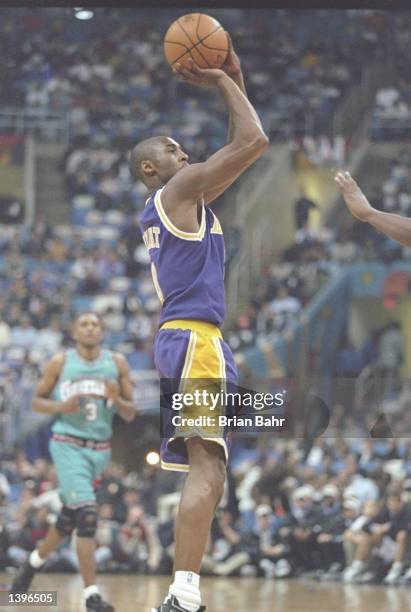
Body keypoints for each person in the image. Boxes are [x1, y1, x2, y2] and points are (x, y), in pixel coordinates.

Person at [129, 34, 268, 612]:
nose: (185, 157)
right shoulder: (177, 190)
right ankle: (183, 596)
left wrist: (232, 75)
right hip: (195, 340)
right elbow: (255, 140)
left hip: (188, 340)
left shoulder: (191, 199)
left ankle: (184, 592)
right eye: (174, 150)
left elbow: (245, 143)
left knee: (211, 469)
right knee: (208, 467)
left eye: (186, 153)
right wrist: (220, 78)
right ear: (150, 168)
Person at [11, 312, 137, 612]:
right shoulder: (61, 362)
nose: (91, 327)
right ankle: (91, 595)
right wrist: (61, 406)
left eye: (96, 324)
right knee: (88, 515)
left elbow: (130, 413)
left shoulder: (116, 363)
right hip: (67, 445)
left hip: (100, 450)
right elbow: (36, 401)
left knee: (70, 518)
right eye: (85, 323)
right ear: (75, 331)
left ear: (102, 331)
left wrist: (117, 399)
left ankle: (31, 564)